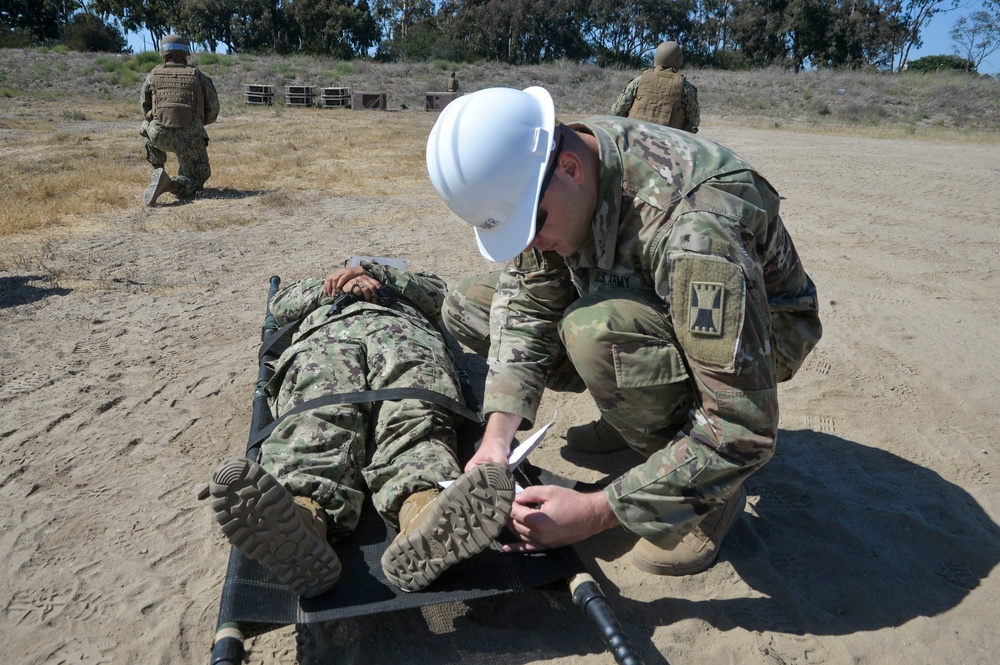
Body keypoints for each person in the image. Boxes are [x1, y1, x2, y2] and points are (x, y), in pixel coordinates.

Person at [425, 87, 821, 576]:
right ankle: (636, 411)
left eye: (532, 225)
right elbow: (527, 303)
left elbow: (745, 429)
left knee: (595, 331)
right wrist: (495, 439)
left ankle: (705, 496)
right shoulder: (557, 168)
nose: (530, 244)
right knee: (472, 304)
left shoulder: (698, 232)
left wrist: (595, 512)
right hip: (653, 292)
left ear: (569, 168)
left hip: (761, 333)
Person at [198, 259, 515, 596]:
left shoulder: (411, 281)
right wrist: (331, 284)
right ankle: (302, 520)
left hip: (403, 336)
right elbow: (281, 307)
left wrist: (378, 274)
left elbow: (441, 299)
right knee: (316, 422)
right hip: (325, 341)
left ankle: (423, 514)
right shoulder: (316, 284)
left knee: (414, 416)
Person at [140, 34, 220, 206]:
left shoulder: (152, 75)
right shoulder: (198, 76)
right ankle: (170, 184)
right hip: (190, 138)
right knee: (196, 180)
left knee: (147, 125)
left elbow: (145, 108)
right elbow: (213, 109)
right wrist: (196, 124)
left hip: (160, 137)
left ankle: (158, 170)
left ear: (163, 54)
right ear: (186, 54)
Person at [611, 41, 700, 133]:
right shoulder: (685, 87)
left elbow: (617, 111)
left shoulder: (639, 80)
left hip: (635, 136)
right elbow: (693, 122)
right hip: (667, 141)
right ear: (677, 60)